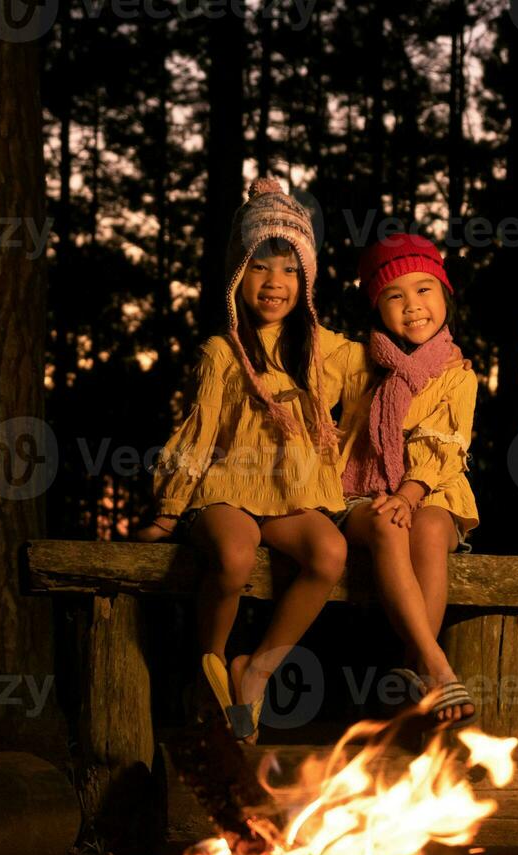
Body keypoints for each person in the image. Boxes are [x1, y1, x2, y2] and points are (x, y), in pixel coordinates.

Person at [135, 178, 365, 743]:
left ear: (305, 279)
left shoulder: (320, 351)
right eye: (261, 268)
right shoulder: (222, 353)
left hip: (290, 493)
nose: (275, 283)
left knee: (329, 551)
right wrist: (167, 511)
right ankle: (210, 668)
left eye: (289, 270)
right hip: (226, 489)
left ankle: (256, 668)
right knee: (236, 557)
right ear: (240, 275)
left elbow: (372, 369)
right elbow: (199, 433)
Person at [338, 234, 480, 727]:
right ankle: (435, 666)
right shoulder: (357, 363)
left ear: (445, 296)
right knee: (389, 524)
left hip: (432, 487)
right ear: (377, 307)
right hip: (361, 493)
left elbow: (443, 445)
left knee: (433, 528)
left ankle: (413, 672)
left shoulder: (458, 373)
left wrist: (409, 492)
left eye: (424, 290)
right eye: (395, 295)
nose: (413, 305)